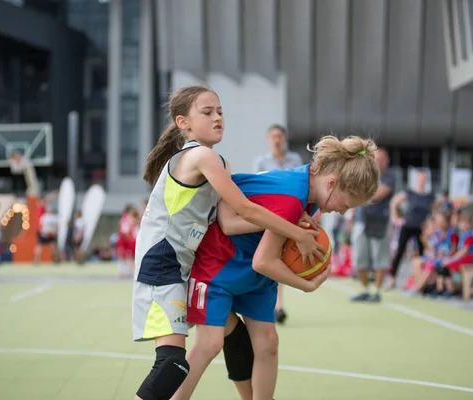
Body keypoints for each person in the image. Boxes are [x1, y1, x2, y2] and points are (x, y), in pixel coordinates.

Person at [132, 85, 324, 400]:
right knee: (172, 365)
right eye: (207, 113)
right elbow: (247, 208)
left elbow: (231, 222)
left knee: (233, 339)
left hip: (182, 265)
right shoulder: (201, 156)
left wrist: (291, 220)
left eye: (220, 111)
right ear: (184, 123)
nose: (218, 117)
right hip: (162, 262)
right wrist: (295, 231)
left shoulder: (219, 162)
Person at [175, 136, 380, 400]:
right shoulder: (293, 198)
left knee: (268, 343)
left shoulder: (309, 186)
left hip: (252, 269)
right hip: (220, 264)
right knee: (208, 344)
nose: (342, 212)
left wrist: (293, 232)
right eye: (346, 205)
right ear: (332, 183)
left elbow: (268, 238)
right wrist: (307, 284)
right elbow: (264, 261)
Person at [251, 124, 304, 325]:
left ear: (285, 138)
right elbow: (256, 188)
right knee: (266, 258)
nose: (277, 139)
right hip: (268, 215)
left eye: (280, 136)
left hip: (290, 216)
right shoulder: (260, 162)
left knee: (281, 258)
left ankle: (278, 305)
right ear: (268, 139)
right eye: (273, 136)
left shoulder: (295, 160)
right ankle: (271, 304)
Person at [350, 148, 395, 302]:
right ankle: (364, 290)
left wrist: (362, 194)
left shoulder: (389, 177)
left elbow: (378, 194)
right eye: (377, 158)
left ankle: (376, 291)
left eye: (382, 158)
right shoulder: (364, 174)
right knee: (360, 255)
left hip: (380, 221)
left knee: (380, 256)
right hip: (361, 220)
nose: (379, 161)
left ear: (387, 161)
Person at [389, 169, 435, 281]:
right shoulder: (410, 193)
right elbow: (394, 202)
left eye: (423, 178)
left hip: (421, 229)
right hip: (408, 226)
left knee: (422, 253)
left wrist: (430, 226)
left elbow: (434, 212)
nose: (421, 180)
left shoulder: (429, 196)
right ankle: (392, 278)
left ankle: (420, 279)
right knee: (400, 252)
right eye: (420, 178)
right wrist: (396, 218)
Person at [117, 204, 140, 279]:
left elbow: (124, 230)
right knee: (126, 256)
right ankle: (126, 272)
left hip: (129, 240)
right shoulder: (126, 218)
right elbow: (124, 230)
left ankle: (128, 272)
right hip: (126, 240)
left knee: (128, 257)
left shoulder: (127, 218)